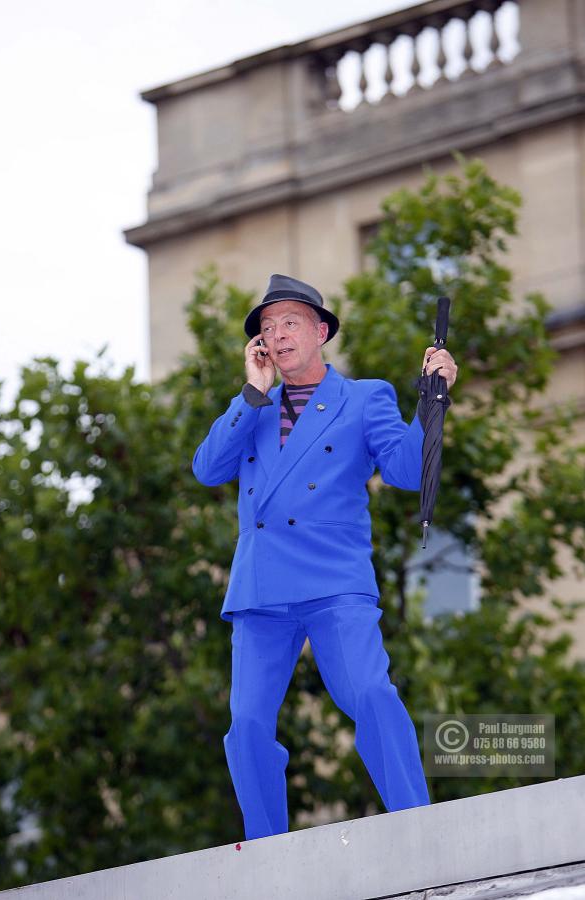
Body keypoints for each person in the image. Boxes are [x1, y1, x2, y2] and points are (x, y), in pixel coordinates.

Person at [192, 273, 458, 841]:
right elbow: (207, 469)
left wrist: (432, 401)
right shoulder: (251, 408)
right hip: (261, 588)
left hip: (334, 579)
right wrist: (251, 393)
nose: (278, 334)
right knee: (246, 726)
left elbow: (409, 471)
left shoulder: (364, 398)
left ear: (320, 331)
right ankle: (267, 849)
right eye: (267, 327)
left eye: (290, 322)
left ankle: (418, 826)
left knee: (371, 693)